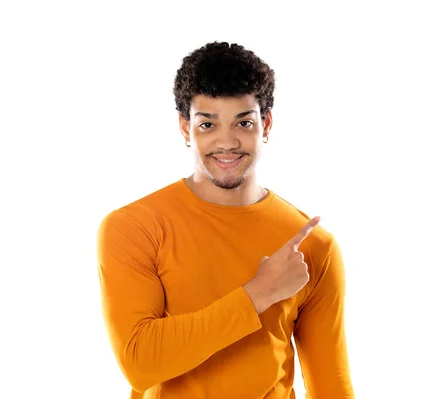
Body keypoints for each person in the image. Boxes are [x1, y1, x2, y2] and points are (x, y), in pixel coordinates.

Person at [96, 41, 354, 399]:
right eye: (208, 123)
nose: (227, 141)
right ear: (186, 128)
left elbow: (332, 387)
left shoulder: (312, 246)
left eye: (243, 122)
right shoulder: (135, 227)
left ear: (266, 124)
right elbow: (140, 362)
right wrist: (258, 294)